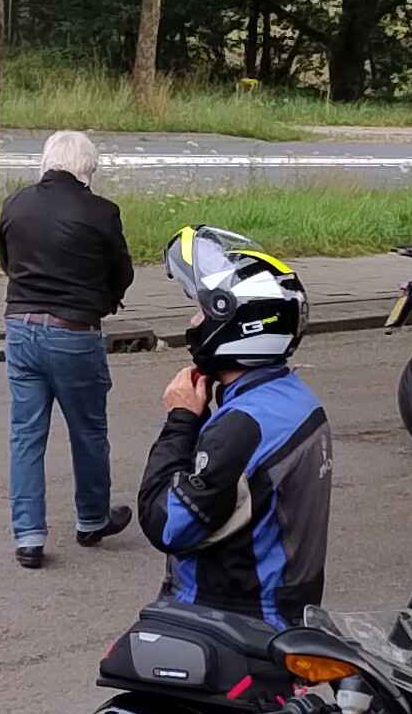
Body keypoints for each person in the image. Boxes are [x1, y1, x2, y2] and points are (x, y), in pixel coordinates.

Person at [139, 234, 331, 619]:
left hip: (231, 616)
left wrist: (181, 420)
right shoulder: (294, 398)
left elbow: (166, 524)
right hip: (286, 604)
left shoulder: (244, 426)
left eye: (202, 311)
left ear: (238, 324)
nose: (193, 322)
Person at [0, 128, 137, 570]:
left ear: (46, 162)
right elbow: (122, 273)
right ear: (87, 169)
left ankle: (28, 536)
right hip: (74, 332)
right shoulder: (101, 212)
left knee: (25, 434)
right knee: (88, 430)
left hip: (20, 327)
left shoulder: (16, 204)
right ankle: (92, 519)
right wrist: (102, 300)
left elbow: (7, 261)